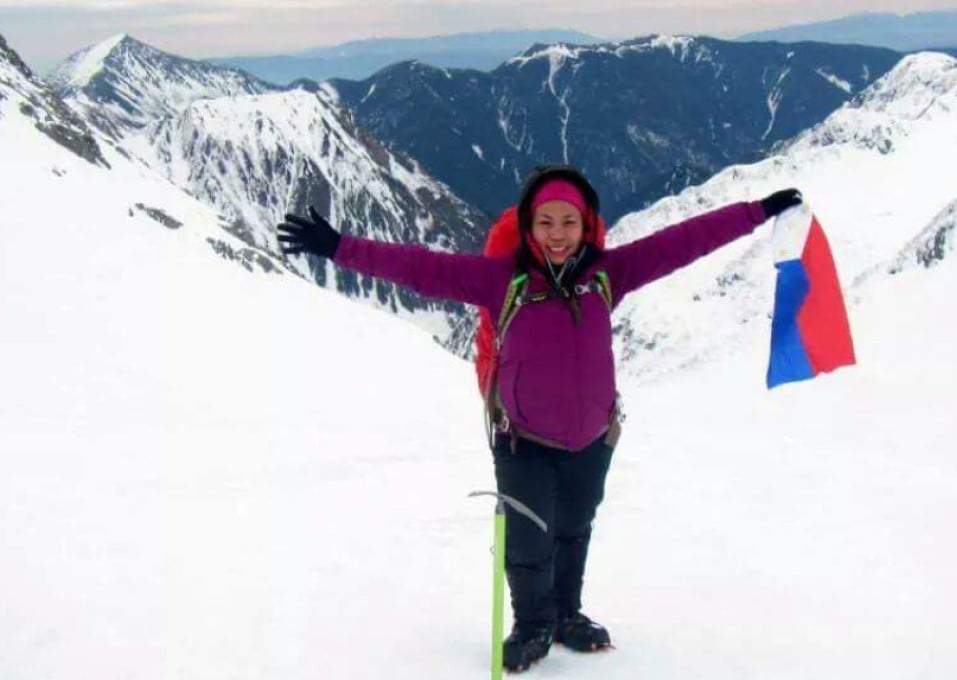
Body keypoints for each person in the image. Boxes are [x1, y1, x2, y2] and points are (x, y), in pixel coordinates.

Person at [277, 165, 802, 672]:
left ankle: (565, 616)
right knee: (528, 540)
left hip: (594, 439)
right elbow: (420, 269)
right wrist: (339, 247)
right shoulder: (499, 279)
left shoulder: (608, 275)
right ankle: (532, 625)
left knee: (574, 529)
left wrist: (756, 212)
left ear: (586, 226)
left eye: (568, 223)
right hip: (522, 440)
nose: (557, 234)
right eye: (546, 223)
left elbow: (685, 242)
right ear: (528, 226)